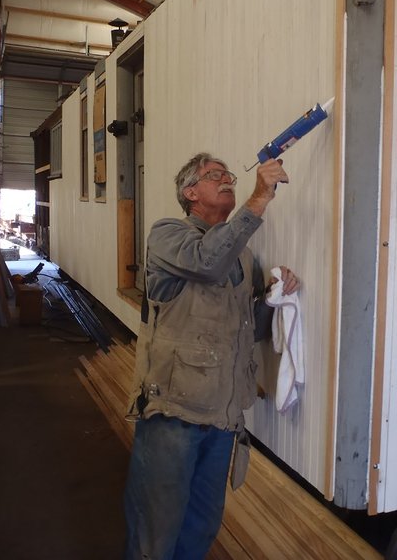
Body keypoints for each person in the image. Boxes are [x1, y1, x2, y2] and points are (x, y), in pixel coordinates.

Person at [124, 152, 300, 560]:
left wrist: (275, 296)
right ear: (190, 193)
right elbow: (205, 261)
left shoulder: (241, 254)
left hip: (222, 418)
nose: (226, 180)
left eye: (228, 175)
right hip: (174, 412)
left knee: (201, 526)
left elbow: (248, 331)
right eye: (213, 175)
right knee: (156, 528)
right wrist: (259, 198)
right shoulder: (167, 235)